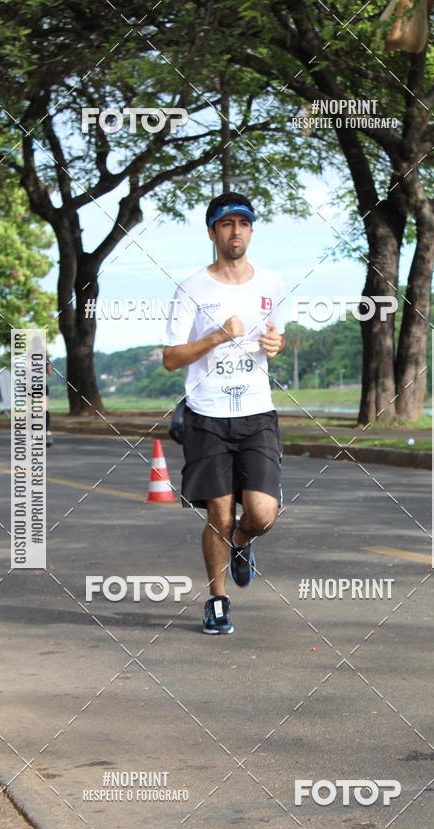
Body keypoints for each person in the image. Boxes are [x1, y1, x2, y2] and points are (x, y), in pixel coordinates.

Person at [163, 192, 288, 635]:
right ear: (212, 232)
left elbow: (276, 339)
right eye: (227, 223)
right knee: (218, 515)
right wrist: (215, 337)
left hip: (257, 413)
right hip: (207, 415)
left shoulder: (272, 285)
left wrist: (277, 344)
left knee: (262, 515)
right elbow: (171, 358)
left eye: (243, 223)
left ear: (251, 230)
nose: (236, 231)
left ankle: (242, 540)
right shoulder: (191, 289)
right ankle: (217, 601)